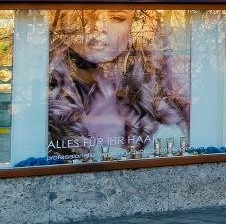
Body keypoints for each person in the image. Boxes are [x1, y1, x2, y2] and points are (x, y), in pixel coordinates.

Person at [48, 9, 191, 159]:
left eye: (116, 17)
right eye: (83, 15)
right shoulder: (48, 100)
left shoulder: (160, 92)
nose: (98, 25)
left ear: (134, 25)